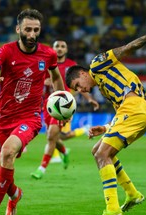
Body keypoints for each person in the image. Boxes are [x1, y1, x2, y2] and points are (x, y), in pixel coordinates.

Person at [65, 21, 146, 215]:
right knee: (98, 151)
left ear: (83, 74)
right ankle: (132, 193)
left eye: (78, 85)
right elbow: (122, 115)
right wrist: (104, 128)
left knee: (102, 154)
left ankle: (112, 208)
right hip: (139, 112)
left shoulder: (97, 64)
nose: (81, 90)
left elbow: (126, 49)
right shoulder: (105, 89)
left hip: (136, 108)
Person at [0, 9, 65, 215]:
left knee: (8, 152)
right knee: (1, 173)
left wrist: (61, 102)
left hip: (30, 117)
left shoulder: (48, 55)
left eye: (36, 30)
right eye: (28, 29)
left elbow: (56, 77)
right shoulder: (6, 51)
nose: (32, 34)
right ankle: (15, 195)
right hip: (3, 118)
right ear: (18, 29)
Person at [31, 40, 99, 179]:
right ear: (53, 49)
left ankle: (41, 169)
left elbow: (80, 85)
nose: (60, 49)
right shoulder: (46, 63)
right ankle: (64, 151)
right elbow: (36, 81)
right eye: (57, 46)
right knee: (53, 137)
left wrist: (89, 99)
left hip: (64, 105)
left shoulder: (71, 66)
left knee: (51, 136)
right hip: (48, 105)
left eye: (63, 46)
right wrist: (43, 82)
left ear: (66, 50)